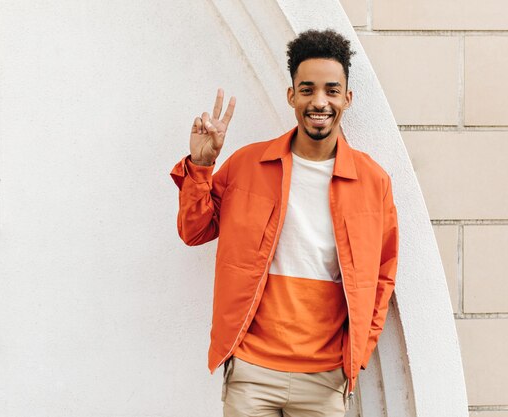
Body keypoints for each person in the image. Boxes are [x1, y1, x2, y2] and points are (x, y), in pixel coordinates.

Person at [170, 29, 398, 417]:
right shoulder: (246, 165)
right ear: (292, 95)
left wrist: (358, 355)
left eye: (331, 89)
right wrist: (202, 166)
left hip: (325, 378)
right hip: (252, 374)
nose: (319, 101)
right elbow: (194, 231)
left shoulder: (372, 182)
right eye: (307, 89)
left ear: (347, 97)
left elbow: (382, 276)